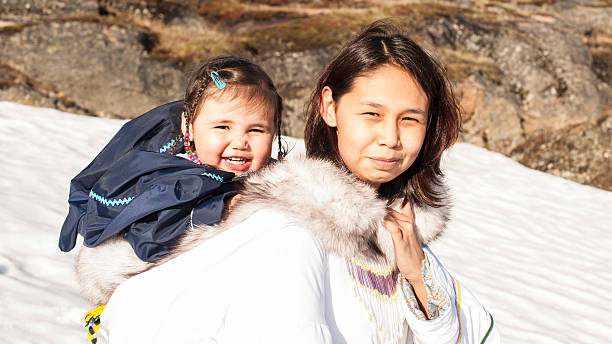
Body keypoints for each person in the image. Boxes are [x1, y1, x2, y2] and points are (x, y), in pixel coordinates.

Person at [99, 21, 500, 343]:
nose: (391, 138)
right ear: (330, 107)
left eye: (410, 118)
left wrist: (417, 276)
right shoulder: (288, 228)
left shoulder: (402, 234)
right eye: (372, 114)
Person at [58, 55, 284, 306]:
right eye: (222, 127)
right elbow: (150, 234)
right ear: (189, 127)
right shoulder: (169, 176)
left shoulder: (277, 180)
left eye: (256, 130)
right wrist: (219, 208)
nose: (240, 142)